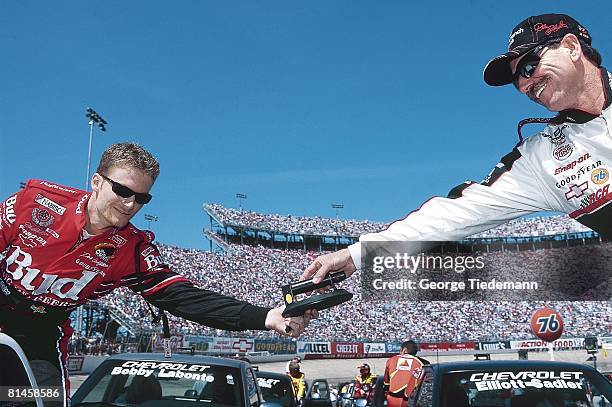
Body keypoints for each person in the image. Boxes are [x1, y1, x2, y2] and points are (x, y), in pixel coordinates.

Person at [302, 14, 611, 285]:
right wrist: (358, 254)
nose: (524, 84)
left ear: (572, 48)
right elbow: (455, 213)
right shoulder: (540, 160)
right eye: (517, 80)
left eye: (530, 65)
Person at [0, 142, 317, 406]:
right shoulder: (35, 201)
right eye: (122, 190)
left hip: (40, 335)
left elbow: (184, 298)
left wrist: (266, 317)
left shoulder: (132, 250)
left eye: (141, 198)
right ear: (97, 182)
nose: (129, 204)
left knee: (43, 401)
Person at [383, 341, 429, 407]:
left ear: (404, 350)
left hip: (393, 400)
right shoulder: (424, 363)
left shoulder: (391, 360)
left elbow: (386, 383)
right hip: (412, 400)